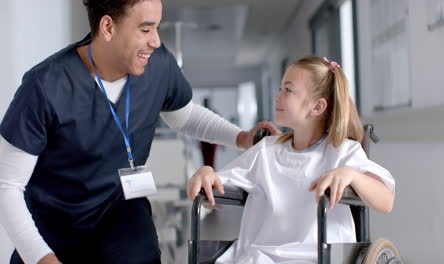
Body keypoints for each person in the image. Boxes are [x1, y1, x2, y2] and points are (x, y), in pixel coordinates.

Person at [0, 0, 280, 263]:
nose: (156, 41)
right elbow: (8, 186)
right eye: (146, 29)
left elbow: (185, 116)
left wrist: (241, 137)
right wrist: (40, 257)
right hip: (53, 223)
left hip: (120, 210)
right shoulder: (46, 86)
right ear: (108, 27)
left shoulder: (158, 65)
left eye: (156, 28)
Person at [186, 55, 395, 264]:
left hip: (319, 257)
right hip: (260, 256)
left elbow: (386, 202)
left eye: (288, 90)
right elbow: (217, 183)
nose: (277, 96)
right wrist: (206, 172)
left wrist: (352, 175)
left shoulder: (343, 152)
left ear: (317, 107)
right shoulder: (266, 151)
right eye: (280, 88)